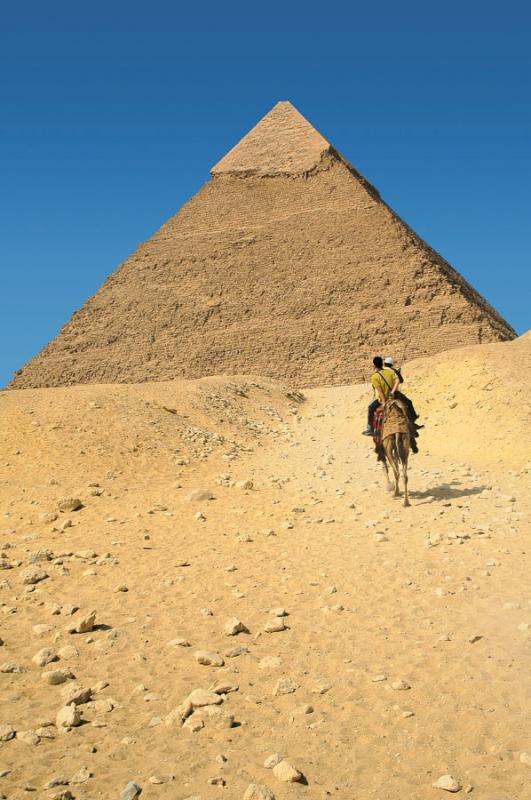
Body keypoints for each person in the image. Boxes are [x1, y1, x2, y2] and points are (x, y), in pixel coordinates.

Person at [362, 356, 400, 436]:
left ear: (374, 365)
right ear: (382, 363)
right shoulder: (390, 372)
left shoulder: (375, 377)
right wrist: (392, 392)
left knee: (370, 408)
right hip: (393, 397)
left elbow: (380, 391)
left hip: (382, 399)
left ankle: (370, 429)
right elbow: (397, 380)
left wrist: (383, 402)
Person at [382, 356, 420, 422]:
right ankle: (414, 418)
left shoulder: (380, 372)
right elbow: (401, 381)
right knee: (409, 402)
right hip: (394, 394)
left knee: (371, 408)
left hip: (382, 394)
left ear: (384, 364)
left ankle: (370, 427)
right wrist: (398, 373)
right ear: (391, 364)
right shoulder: (394, 371)